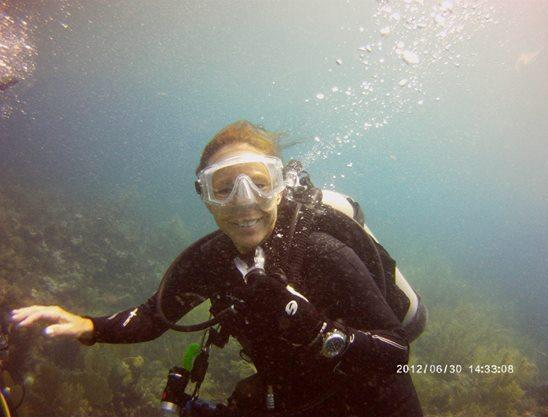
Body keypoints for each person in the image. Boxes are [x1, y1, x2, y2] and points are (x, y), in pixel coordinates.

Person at [10, 120, 424, 416]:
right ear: (204, 197)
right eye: (223, 188)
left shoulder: (321, 252)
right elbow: (154, 317)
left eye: (259, 184)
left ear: (279, 188)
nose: (244, 202)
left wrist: (318, 332)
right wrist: (89, 327)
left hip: (375, 400)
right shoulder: (211, 261)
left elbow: (394, 351)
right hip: (292, 398)